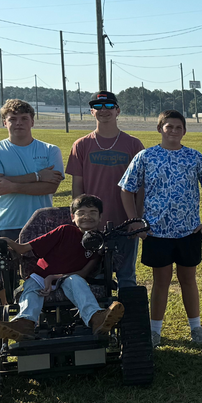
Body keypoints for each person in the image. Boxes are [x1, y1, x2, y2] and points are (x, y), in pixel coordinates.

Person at [119, 110, 202, 347]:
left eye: (178, 127)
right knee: (161, 282)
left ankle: (196, 329)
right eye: (168, 126)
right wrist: (134, 221)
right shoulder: (146, 156)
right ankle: (155, 332)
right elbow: (126, 188)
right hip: (156, 232)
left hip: (189, 232)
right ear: (159, 128)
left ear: (184, 130)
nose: (173, 131)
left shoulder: (194, 157)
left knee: (188, 280)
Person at [0, 194, 124, 341]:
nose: (86, 217)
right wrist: (6, 241)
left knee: (75, 280)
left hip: (68, 278)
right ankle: (24, 324)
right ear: (72, 217)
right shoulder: (64, 231)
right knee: (32, 287)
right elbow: (23, 249)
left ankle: (96, 318)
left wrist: (54, 277)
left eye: (92, 213)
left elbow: (83, 273)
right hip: (41, 276)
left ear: (100, 216)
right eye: (81, 213)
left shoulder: (98, 243)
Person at [0, 99, 65, 305]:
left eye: (24, 118)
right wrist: (38, 176)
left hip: (41, 226)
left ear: (32, 122)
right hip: (3, 225)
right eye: (13, 119)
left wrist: (13, 185)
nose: (18, 123)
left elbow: (50, 187)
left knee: (40, 279)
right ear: (4, 122)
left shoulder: (50, 150)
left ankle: (31, 325)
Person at [66, 90, 144, 289]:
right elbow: (77, 187)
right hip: (92, 224)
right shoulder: (81, 145)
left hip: (124, 224)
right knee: (94, 277)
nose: (103, 110)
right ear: (91, 112)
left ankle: (127, 318)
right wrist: (77, 217)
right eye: (97, 106)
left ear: (117, 110)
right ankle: (99, 319)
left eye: (109, 106)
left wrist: (136, 220)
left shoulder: (133, 144)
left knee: (127, 277)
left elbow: (141, 188)